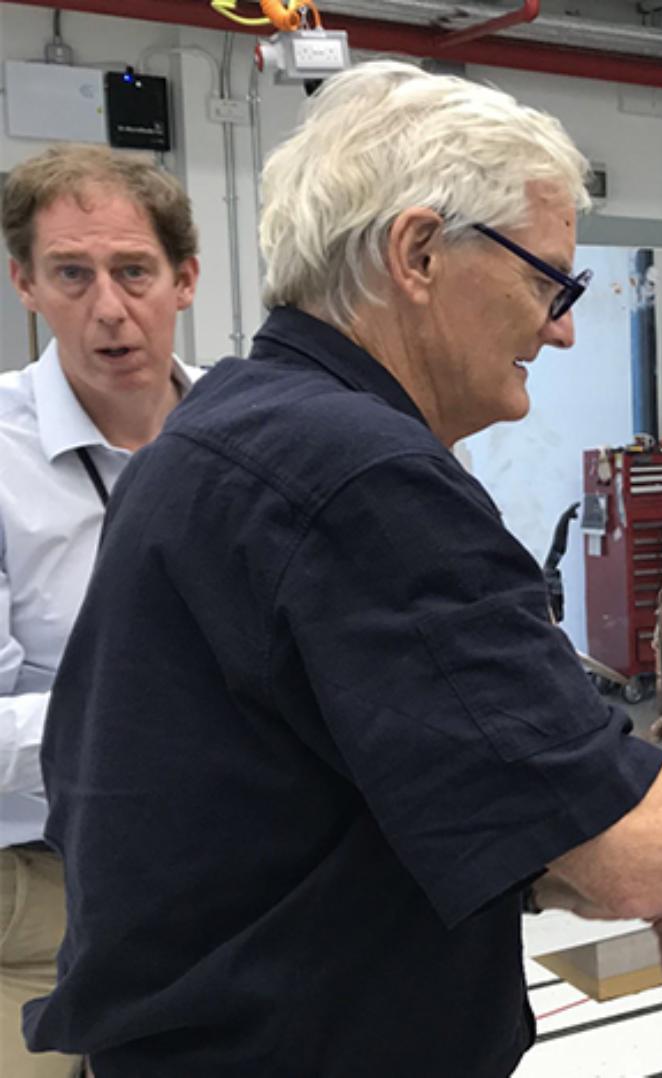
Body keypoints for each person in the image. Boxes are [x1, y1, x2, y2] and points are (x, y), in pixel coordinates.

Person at [23, 62, 662, 1076]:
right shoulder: (363, 479)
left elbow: (340, 810)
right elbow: (633, 848)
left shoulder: (219, 429)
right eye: (549, 281)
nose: (564, 325)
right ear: (419, 252)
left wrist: (562, 852)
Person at [1, 146, 201, 1078]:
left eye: (133, 272)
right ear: (24, 284)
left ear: (185, 278)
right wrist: (158, 719)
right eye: (71, 276)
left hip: (228, 876)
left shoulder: (256, 438)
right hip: (41, 900)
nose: (109, 309)